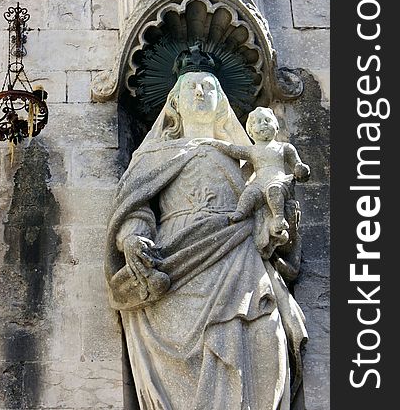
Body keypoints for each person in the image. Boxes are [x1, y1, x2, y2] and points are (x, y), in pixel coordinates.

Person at [105, 69, 307, 410]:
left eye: (209, 86)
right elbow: (135, 207)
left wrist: (280, 225)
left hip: (237, 252)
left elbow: (265, 206)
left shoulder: (244, 156)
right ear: (175, 103)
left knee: (266, 335)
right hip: (176, 262)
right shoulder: (152, 157)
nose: (200, 92)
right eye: (191, 87)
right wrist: (131, 239)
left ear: (221, 102)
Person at [194, 106, 310, 253]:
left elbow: (297, 165)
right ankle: (240, 213)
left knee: (273, 190)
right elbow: (232, 149)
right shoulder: (252, 150)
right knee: (250, 192)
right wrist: (215, 143)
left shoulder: (284, 147)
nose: (263, 124)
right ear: (250, 131)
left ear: (276, 125)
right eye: (258, 122)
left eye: (267, 120)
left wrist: (302, 170)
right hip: (260, 182)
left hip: (280, 181)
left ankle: (279, 218)